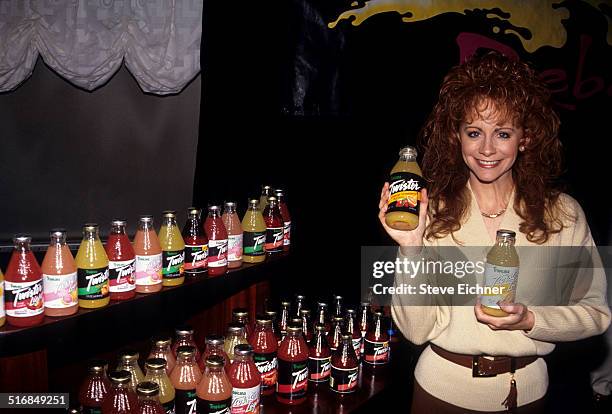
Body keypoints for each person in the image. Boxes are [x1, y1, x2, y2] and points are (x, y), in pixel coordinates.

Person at [378, 51, 610, 413]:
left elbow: (596, 313)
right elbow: (416, 331)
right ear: (457, 137)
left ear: (526, 138)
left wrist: (532, 319)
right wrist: (411, 248)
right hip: (442, 393)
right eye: (474, 132)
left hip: (529, 393)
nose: (487, 149)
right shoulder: (432, 210)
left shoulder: (562, 214)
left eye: (502, 133)